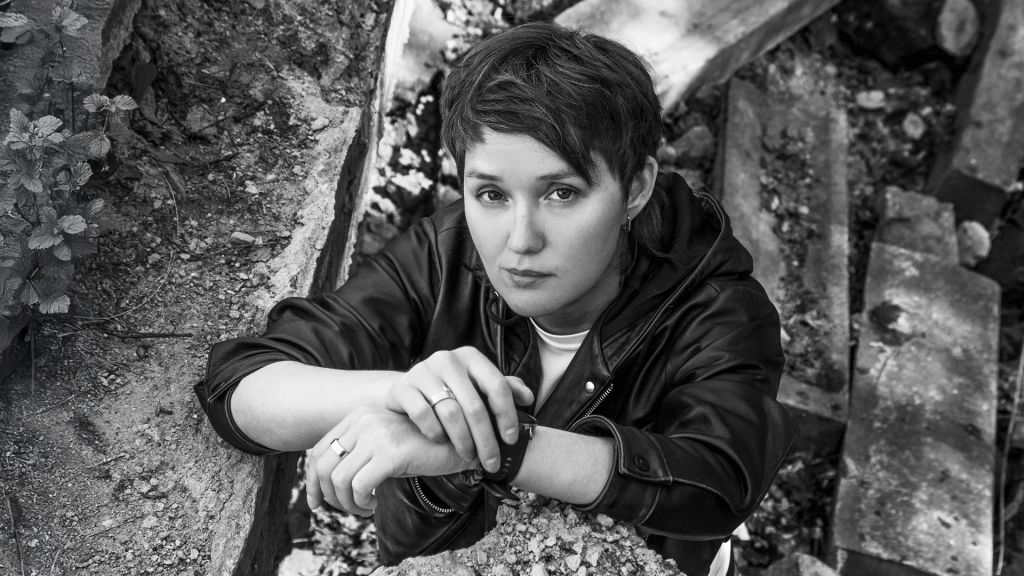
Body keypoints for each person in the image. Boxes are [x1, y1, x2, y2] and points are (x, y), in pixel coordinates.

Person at [194, 22, 796, 576]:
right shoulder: (447, 250)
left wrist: (495, 445)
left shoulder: (719, 309)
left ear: (635, 188)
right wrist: (408, 396)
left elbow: (719, 482)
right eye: (491, 195)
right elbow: (239, 386)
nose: (520, 240)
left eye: (561, 193)